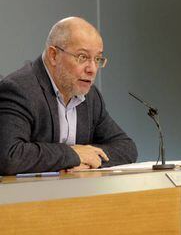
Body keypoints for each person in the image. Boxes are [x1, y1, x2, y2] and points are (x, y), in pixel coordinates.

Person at [0, 17, 138, 175]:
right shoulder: (20, 89)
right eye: (83, 57)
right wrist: (72, 155)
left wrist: (86, 160)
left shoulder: (90, 96)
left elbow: (126, 148)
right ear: (53, 55)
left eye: (98, 59)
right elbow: (9, 156)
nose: (92, 69)